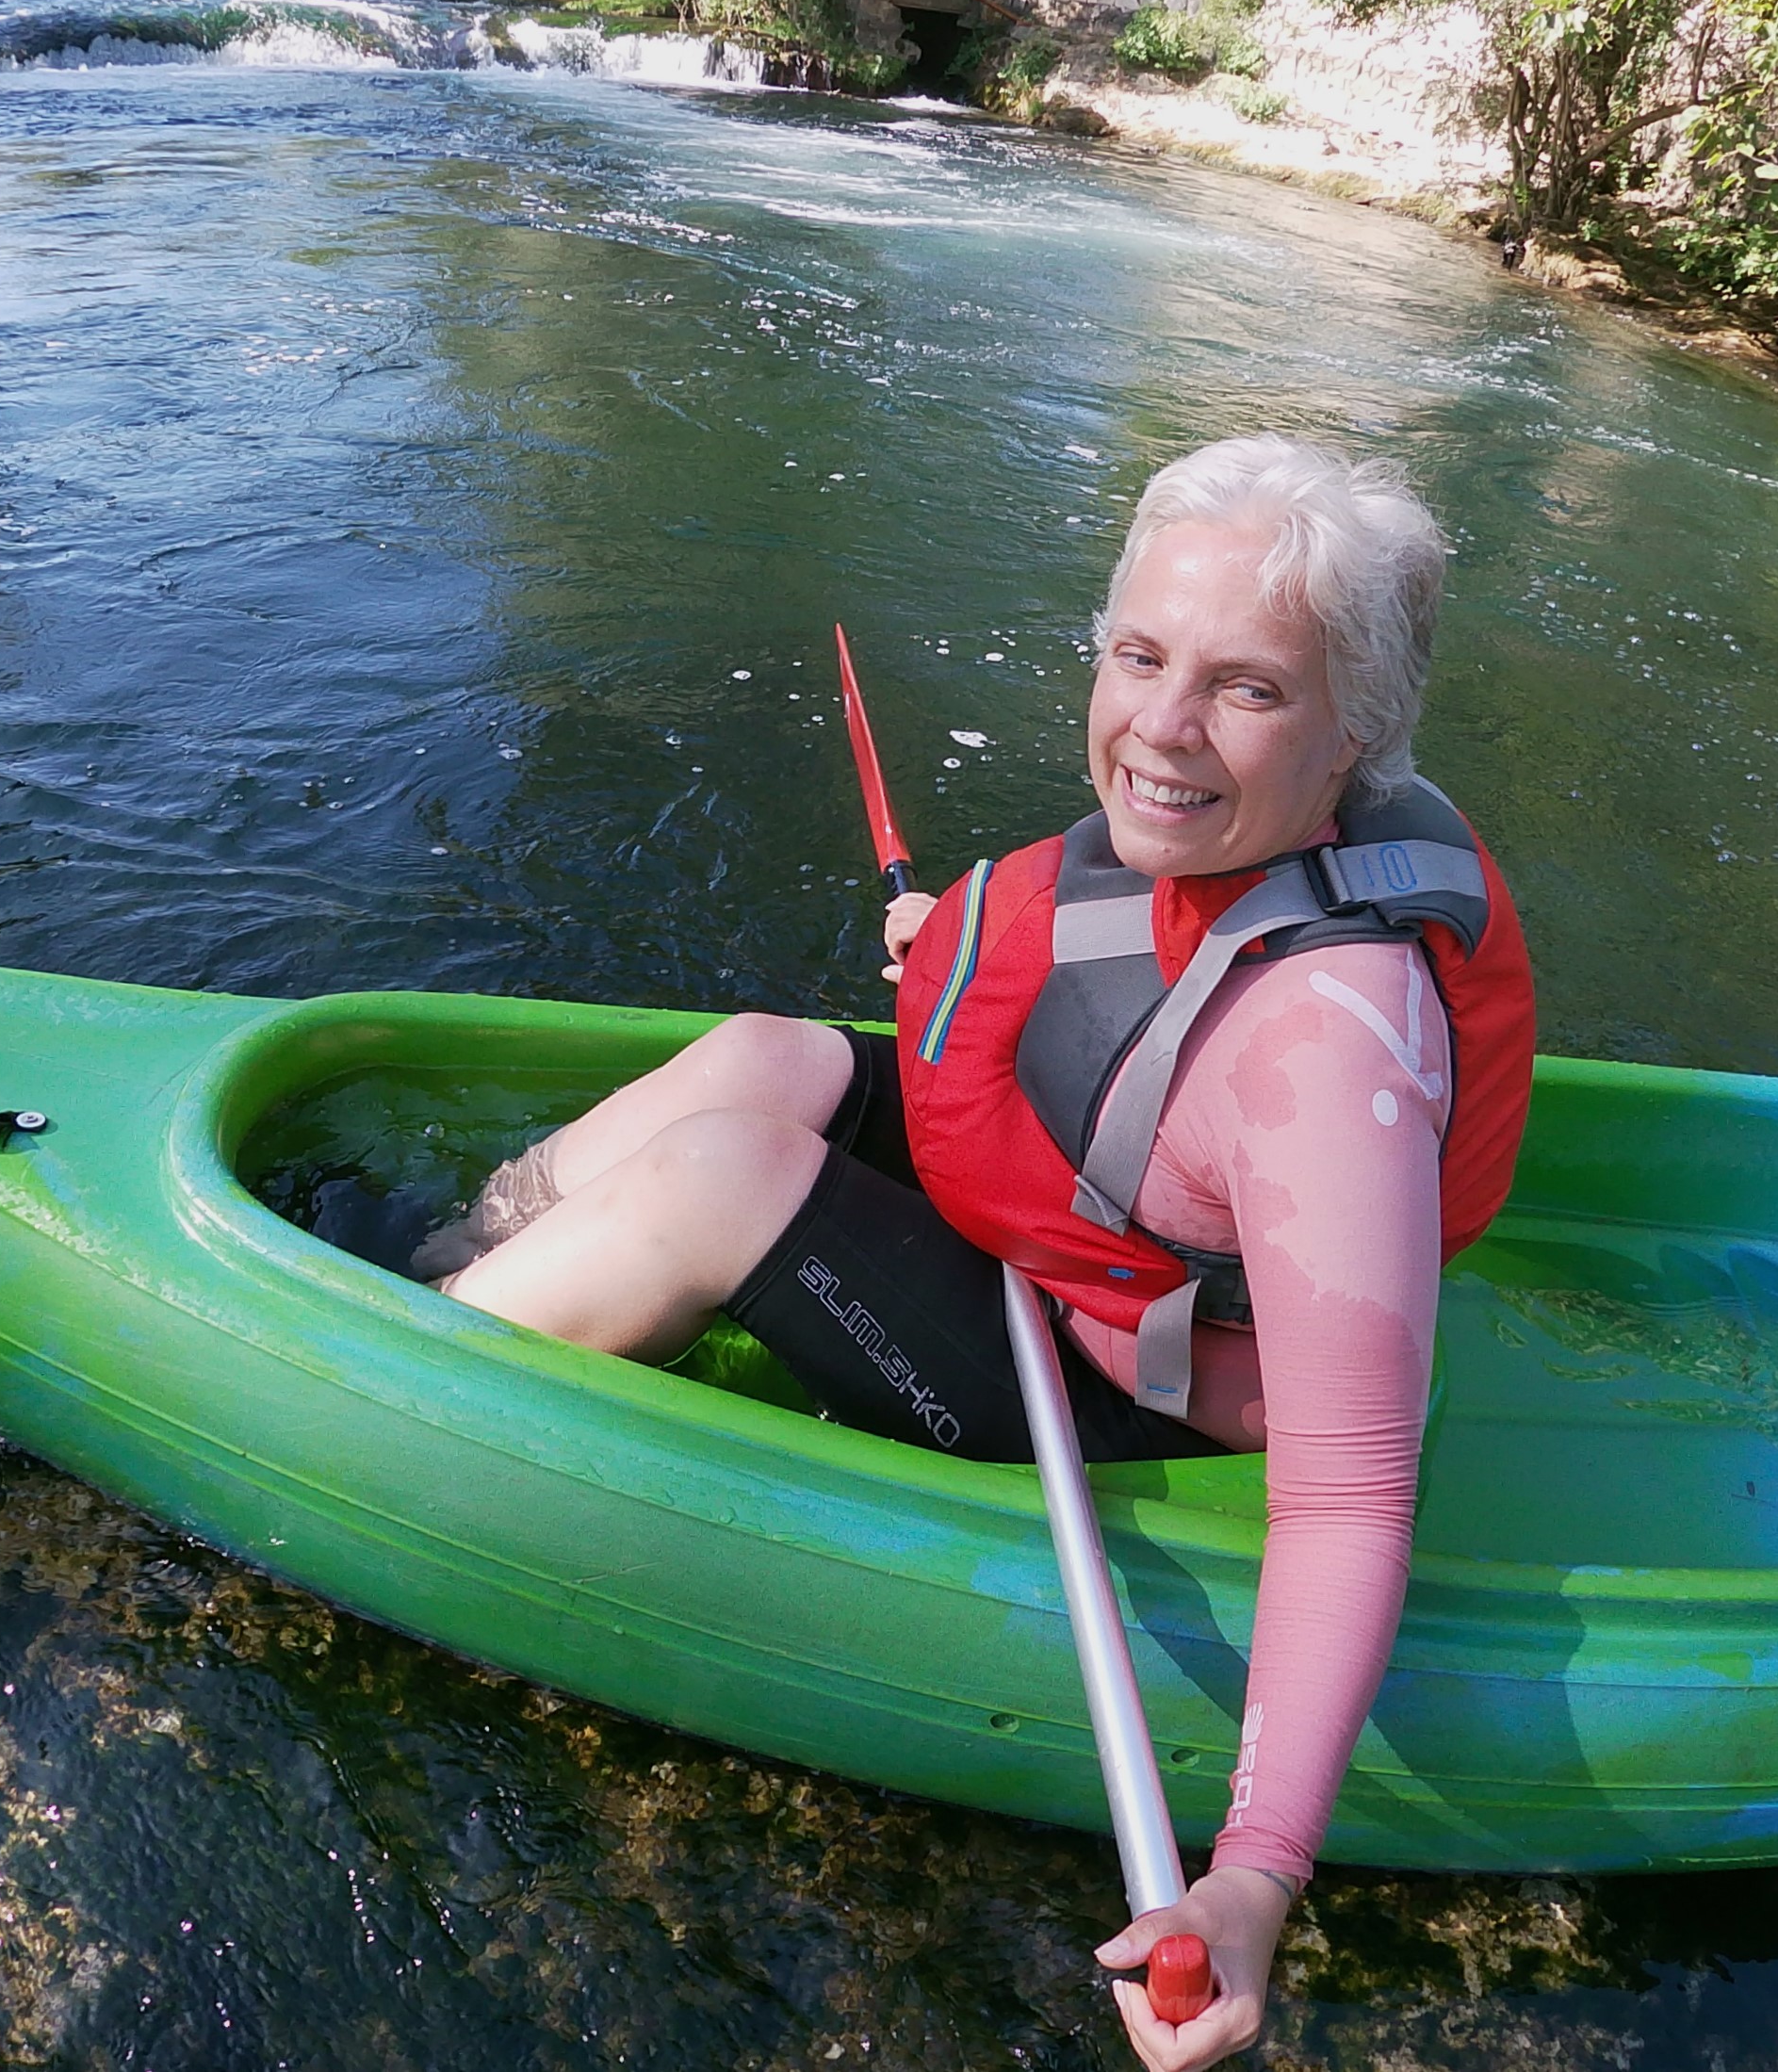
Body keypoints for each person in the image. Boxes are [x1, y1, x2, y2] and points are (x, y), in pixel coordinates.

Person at [420, 433, 1536, 2072]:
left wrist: (1252, 1881)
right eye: (1140, 657)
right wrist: (956, 952)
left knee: (731, 1174)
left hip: (1124, 1372)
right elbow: (1119, 981)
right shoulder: (1214, 831)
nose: (1158, 725)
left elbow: (1358, 1489)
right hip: (1089, 1217)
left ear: (1351, 730)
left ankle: (393, 1358)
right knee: (767, 1059)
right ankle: (450, 1252)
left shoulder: (1329, 1051)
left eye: (1245, 690)